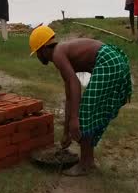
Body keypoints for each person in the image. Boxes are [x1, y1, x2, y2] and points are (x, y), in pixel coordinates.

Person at [29, 26, 132, 176]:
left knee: (83, 114)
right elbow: (70, 96)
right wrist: (66, 132)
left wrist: (75, 119)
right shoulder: (62, 53)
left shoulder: (58, 54)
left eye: (37, 52)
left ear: (43, 49)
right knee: (87, 112)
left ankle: (84, 164)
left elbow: (75, 84)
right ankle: (88, 161)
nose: (38, 57)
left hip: (109, 62)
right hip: (114, 60)